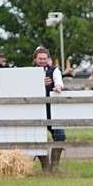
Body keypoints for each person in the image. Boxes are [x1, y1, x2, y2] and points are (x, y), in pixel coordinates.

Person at [34, 46, 66, 175]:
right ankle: (45, 169)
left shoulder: (54, 70)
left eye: (44, 58)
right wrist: (38, 83)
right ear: (35, 59)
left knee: (60, 136)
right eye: (40, 58)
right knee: (38, 138)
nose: (42, 61)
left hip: (52, 109)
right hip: (35, 110)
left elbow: (59, 81)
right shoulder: (29, 72)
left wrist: (58, 86)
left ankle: (55, 167)